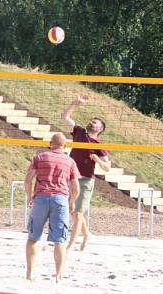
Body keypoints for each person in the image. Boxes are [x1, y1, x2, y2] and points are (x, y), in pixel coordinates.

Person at [24, 132, 80, 283]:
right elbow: (76, 188)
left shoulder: (40, 157)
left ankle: (29, 273)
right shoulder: (70, 161)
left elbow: (28, 179)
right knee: (59, 240)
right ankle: (58, 276)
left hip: (41, 198)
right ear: (65, 145)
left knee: (33, 238)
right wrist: (72, 202)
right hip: (60, 199)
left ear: (50, 143)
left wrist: (29, 196)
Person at [61, 94, 110, 251]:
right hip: (71, 177)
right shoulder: (79, 132)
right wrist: (76, 103)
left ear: (100, 129)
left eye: (95, 123)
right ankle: (87, 234)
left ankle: (70, 245)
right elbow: (65, 117)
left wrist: (98, 160)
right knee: (74, 211)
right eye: (91, 121)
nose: (91, 122)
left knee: (77, 213)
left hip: (86, 180)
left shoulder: (99, 144)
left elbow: (107, 167)